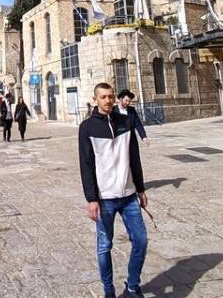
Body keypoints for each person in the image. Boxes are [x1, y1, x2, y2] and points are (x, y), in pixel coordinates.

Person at [80, 83, 148, 298]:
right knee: (104, 245)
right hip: (104, 198)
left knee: (141, 240)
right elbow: (86, 165)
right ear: (95, 99)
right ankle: (108, 290)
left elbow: (134, 157)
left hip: (128, 195)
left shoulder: (126, 122)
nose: (108, 100)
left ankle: (132, 285)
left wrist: (140, 188)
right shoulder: (87, 127)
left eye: (110, 96)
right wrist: (92, 199)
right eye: (103, 97)